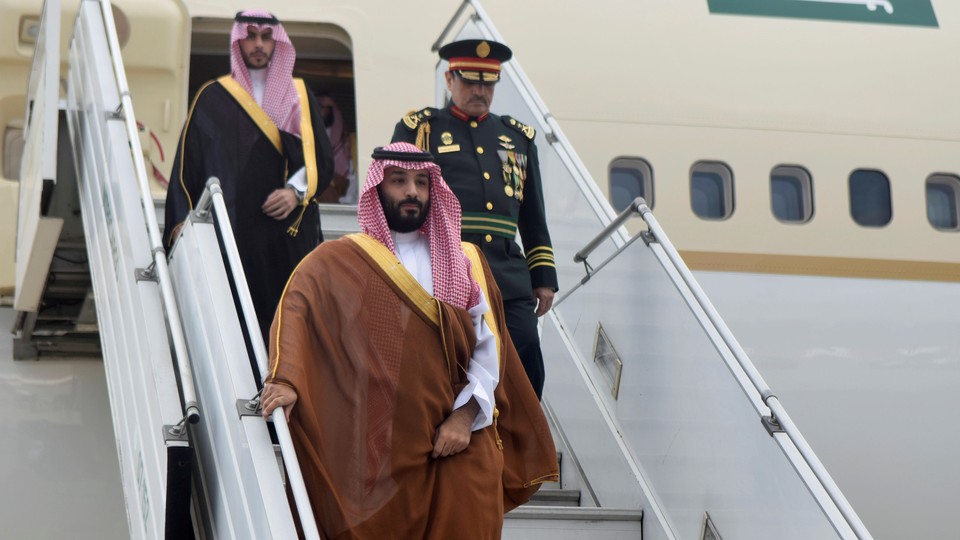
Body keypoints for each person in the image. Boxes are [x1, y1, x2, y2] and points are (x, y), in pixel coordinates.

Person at [260, 142, 558, 539]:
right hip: (385, 441)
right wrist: (285, 379)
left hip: (461, 434)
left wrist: (463, 418)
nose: (412, 191)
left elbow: (490, 350)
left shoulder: (465, 259)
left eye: (421, 182)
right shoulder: (346, 259)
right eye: (399, 181)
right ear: (378, 188)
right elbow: (298, 306)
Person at [392, 39, 557, 399]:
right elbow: (397, 197)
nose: (480, 90)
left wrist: (543, 277)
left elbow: (532, 215)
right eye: (470, 81)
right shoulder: (423, 129)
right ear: (450, 80)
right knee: (454, 357)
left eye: (488, 83)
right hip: (448, 262)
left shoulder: (517, 137)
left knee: (525, 345)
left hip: (506, 269)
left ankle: (522, 437)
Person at [163, 9, 333, 345]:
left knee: (291, 320)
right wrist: (181, 221)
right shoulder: (212, 96)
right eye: (250, 35)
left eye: (266, 37)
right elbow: (188, 164)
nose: (258, 44)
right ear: (238, 40)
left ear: (277, 42)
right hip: (233, 232)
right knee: (235, 320)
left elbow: (321, 161)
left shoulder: (298, 94)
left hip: (286, 232)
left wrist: (295, 192)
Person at [315, 94, 359, 204]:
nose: (319, 112)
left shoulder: (348, 141)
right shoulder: (311, 136)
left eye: (321, 108)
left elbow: (353, 175)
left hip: (343, 190)